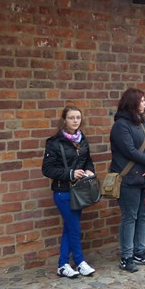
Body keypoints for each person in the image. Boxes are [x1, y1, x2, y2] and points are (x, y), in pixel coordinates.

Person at [42, 105, 97, 278]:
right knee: (74, 228)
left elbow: (88, 160)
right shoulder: (54, 142)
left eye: (78, 118)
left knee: (69, 226)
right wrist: (71, 173)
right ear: (64, 120)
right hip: (63, 191)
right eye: (72, 118)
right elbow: (47, 169)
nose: (75, 121)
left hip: (79, 191)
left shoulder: (82, 140)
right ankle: (80, 262)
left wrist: (89, 170)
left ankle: (63, 264)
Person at [110, 88, 145, 273]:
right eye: (142, 100)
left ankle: (140, 251)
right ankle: (126, 256)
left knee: (143, 216)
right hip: (128, 179)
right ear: (133, 102)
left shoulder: (143, 123)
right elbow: (129, 151)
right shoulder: (120, 126)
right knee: (129, 217)